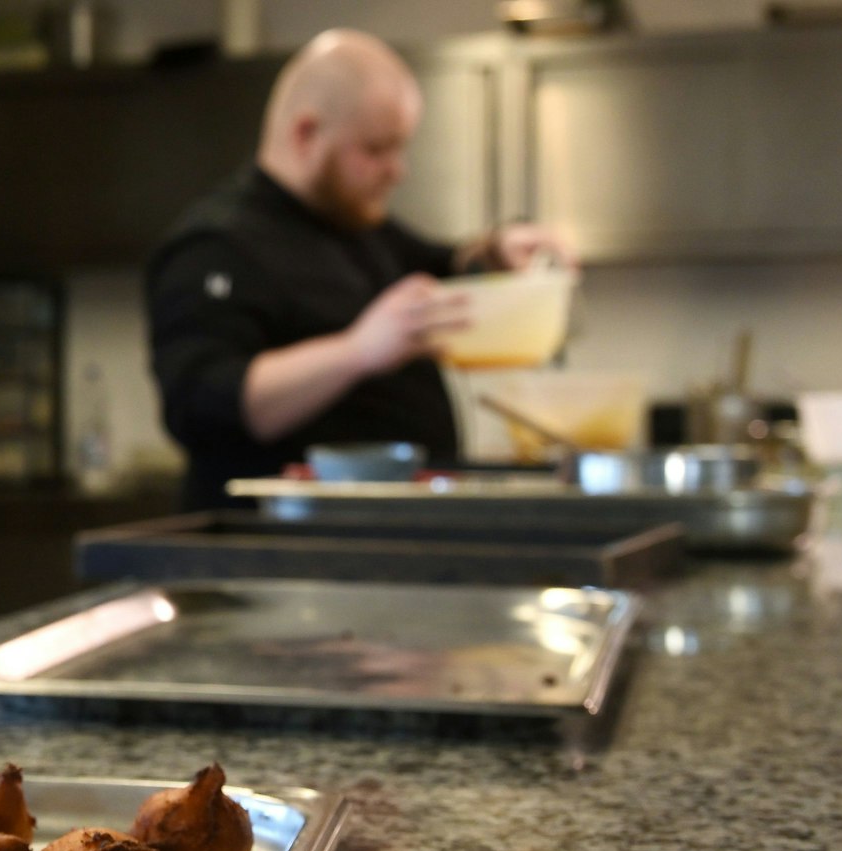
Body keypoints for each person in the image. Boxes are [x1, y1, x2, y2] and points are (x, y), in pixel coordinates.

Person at [145, 29, 574, 510]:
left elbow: (443, 265)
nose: (397, 170)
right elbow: (201, 405)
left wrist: (494, 253)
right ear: (306, 134)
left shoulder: (354, 224)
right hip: (280, 541)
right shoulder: (214, 247)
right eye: (376, 149)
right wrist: (358, 350)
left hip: (384, 530)